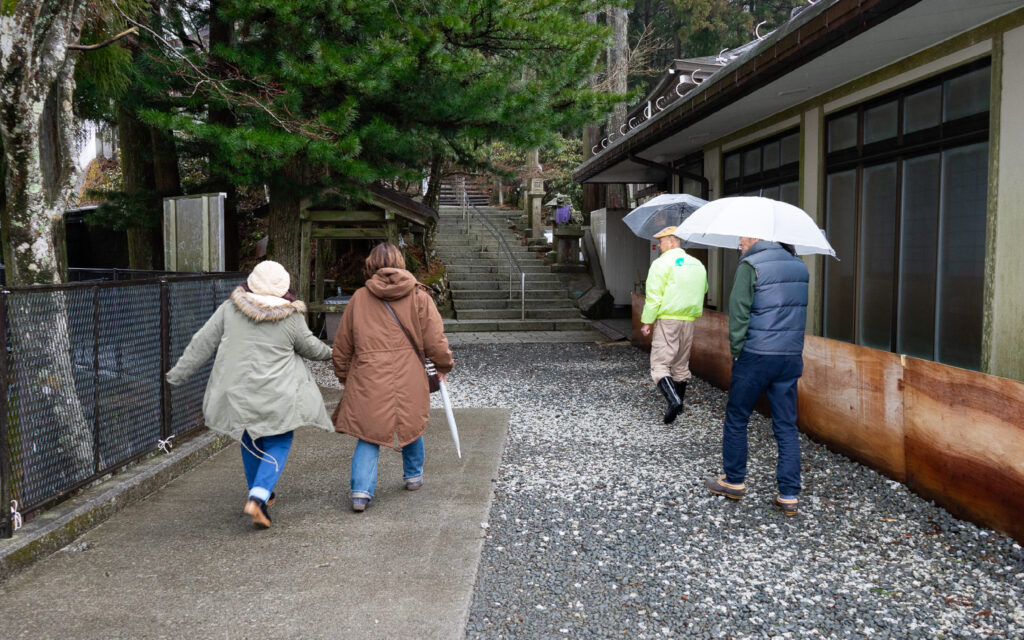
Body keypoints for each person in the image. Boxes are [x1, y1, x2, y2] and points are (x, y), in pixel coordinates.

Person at [166, 260, 333, 529]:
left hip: (237, 393)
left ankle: (261, 493)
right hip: (277, 394)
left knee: (250, 439)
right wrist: (332, 353)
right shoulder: (291, 317)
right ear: (284, 287)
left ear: (251, 282)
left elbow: (202, 342)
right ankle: (259, 495)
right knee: (279, 440)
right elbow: (312, 349)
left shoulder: (230, 309)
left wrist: (178, 374)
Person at [332, 242, 454, 512]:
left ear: (371, 265)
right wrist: (443, 365)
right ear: (400, 262)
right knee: (411, 423)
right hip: (410, 372)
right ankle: (413, 476)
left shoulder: (359, 299)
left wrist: (343, 374)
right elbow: (435, 339)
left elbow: (343, 344)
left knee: (369, 431)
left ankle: (361, 492)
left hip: (368, 374)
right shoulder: (419, 296)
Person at [705, 237, 809, 516]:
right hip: (789, 356)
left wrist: (737, 351)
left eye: (743, 235)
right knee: (786, 424)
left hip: (756, 355)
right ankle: (789, 495)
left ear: (758, 235)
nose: (740, 241)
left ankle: (734, 481)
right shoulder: (800, 266)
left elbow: (739, 313)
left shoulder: (750, 265)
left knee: (737, 416)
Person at [640, 226, 708, 424]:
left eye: (661, 241)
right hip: (689, 320)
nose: (659, 245)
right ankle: (679, 407)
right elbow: (704, 289)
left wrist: (647, 321)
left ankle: (674, 401)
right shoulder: (697, 264)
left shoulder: (661, 264)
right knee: (681, 364)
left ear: (672, 241)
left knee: (660, 364)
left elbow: (654, 296)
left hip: (668, 319)